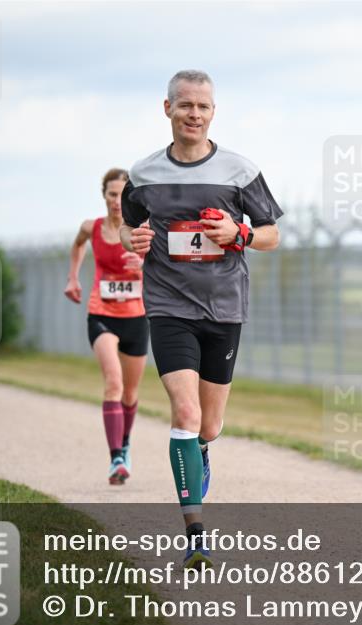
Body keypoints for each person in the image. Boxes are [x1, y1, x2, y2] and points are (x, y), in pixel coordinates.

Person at [120, 70, 282, 568]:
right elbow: (127, 227)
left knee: (208, 425)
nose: (194, 114)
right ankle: (195, 535)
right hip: (169, 306)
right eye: (185, 104)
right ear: (166, 108)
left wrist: (239, 234)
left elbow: (272, 234)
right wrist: (133, 240)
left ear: (213, 112)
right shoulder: (143, 174)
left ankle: (201, 450)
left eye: (203, 106)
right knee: (186, 414)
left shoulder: (240, 170)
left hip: (224, 308)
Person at [64, 169, 148, 485]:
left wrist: (145, 264)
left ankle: (124, 445)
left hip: (136, 317)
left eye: (122, 195)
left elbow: (166, 263)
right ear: (104, 195)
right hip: (101, 314)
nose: (116, 201)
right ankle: (116, 460)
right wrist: (73, 277)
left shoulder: (142, 230)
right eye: (112, 194)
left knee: (130, 393)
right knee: (113, 382)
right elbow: (77, 246)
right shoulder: (92, 227)